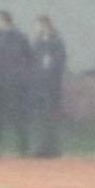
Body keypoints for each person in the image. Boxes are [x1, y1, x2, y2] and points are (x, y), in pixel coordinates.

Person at [0, 11, 34, 158]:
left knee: (18, 116)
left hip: (15, 83)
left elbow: (29, 58)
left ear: (3, 20)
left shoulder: (20, 37)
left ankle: (23, 149)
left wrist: (22, 76)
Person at [31, 16, 67, 158]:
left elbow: (60, 62)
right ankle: (41, 148)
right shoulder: (37, 43)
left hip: (51, 86)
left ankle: (53, 149)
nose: (35, 29)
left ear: (45, 25)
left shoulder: (56, 41)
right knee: (39, 118)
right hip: (38, 85)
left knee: (50, 116)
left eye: (37, 25)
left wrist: (50, 67)